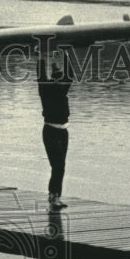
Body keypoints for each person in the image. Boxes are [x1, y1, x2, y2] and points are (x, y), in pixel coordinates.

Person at [38, 53, 72, 210]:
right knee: (57, 165)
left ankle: (55, 196)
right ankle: (54, 196)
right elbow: (41, 75)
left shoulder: (63, 89)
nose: (60, 80)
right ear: (53, 78)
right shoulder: (46, 89)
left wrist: (66, 55)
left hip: (63, 132)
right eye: (57, 77)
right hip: (50, 131)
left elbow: (70, 75)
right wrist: (41, 57)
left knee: (61, 166)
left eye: (60, 77)